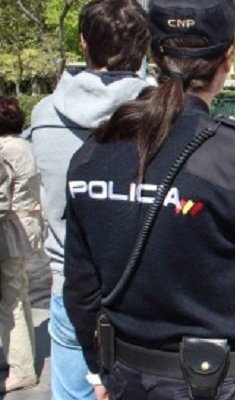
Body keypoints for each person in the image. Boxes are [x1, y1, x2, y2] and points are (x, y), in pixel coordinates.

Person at [63, 1, 235, 399]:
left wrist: (102, 369)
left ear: (155, 54)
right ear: (228, 58)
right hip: (221, 383)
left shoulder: (94, 151)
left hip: (130, 377)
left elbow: (80, 288)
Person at [28, 1, 150, 398]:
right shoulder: (165, 116)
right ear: (145, 46)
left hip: (69, 283)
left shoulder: (45, 114)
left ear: (83, 42)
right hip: (145, 288)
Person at [0, 97, 38, 393]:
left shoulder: (5, 150)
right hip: (25, 226)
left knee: (11, 300)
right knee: (18, 295)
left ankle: (22, 367)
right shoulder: (23, 145)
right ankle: (20, 358)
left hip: (10, 231)